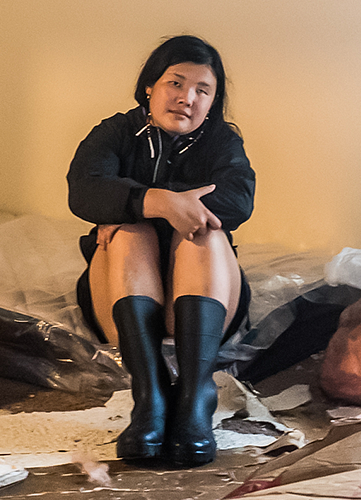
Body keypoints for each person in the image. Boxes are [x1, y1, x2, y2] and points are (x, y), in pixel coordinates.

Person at [67, 34, 256, 467]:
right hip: (121, 298)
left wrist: (142, 200)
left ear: (212, 101)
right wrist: (158, 205)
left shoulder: (222, 143)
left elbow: (237, 201)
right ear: (151, 85)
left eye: (202, 90)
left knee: (205, 234)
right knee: (131, 234)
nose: (186, 98)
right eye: (176, 83)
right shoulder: (115, 132)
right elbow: (83, 191)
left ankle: (195, 396)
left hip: (206, 302)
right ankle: (149, 395)